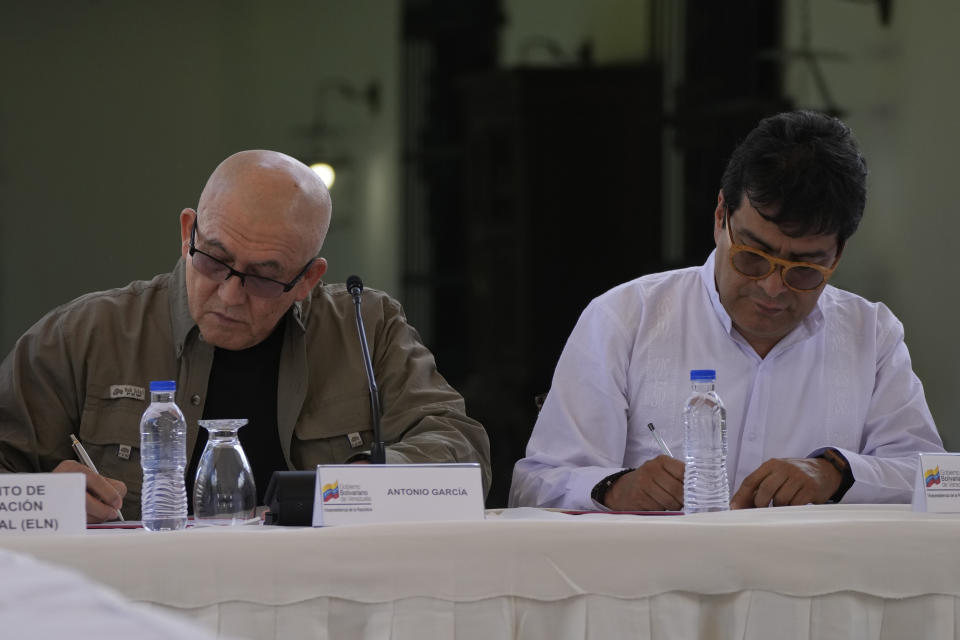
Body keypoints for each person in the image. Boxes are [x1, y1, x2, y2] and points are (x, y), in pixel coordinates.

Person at [0, 150, 491, 522]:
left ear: (307, 280)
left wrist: (366, 480)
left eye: (263, 277)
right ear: (188, 231)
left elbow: (461, 447)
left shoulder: (366, 329)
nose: (230, 296)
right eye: (214, 260)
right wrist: (45, 495)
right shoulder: (85, 336)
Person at [509, 110, 944, 511]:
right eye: (753, 257)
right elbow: (534, 487)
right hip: (658, 586)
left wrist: (839, 472)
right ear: (721, 217)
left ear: (837, 256)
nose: (772, 289)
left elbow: (937, 479)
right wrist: (614, 488)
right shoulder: (625, 319)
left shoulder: (871, 336)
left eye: (804, 270)